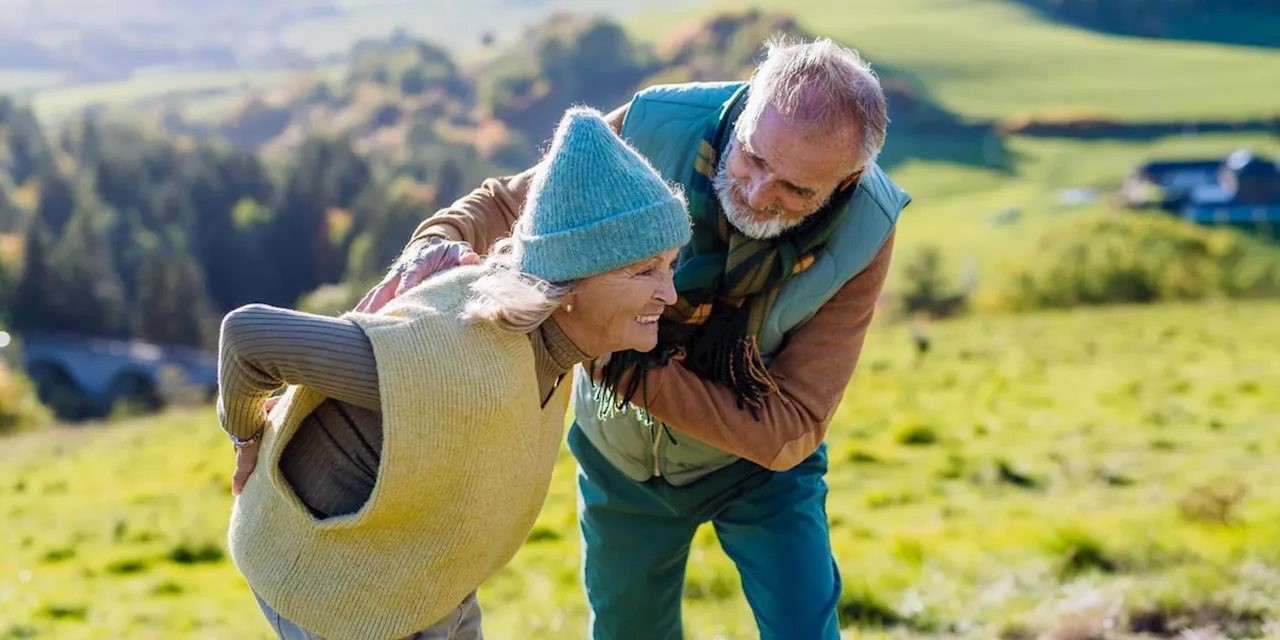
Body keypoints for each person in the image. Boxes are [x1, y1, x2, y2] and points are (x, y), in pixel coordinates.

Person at [363, 37, 912, 640]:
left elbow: (792, 427)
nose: (759, 195)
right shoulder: (653, 126)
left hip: (760, 474)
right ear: (748, 106)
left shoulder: (869, 227)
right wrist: (426, 250)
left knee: (805, 629)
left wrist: (612, 362)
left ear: (848, 180)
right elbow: (509, 202)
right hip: (621, 460)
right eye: (753, 159)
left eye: (796, 190)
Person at [214, 107, 691, 640]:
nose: (668, 294)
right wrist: (245, 435)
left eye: (670, 266)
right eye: (644, 270)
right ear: (570, 287)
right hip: (334, 586)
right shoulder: (451, 359)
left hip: (422, 574)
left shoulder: (553, 348)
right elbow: (248, 338)